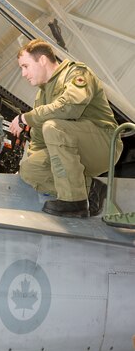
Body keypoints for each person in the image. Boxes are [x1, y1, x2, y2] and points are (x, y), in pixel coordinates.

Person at [9, 38, 123, 218]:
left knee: (53, 126)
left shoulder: (76, 72)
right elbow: (38, 141)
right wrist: (33, 166)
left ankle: (74, 201)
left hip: (103, 144)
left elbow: (70, 106)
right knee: (30, 169)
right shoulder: (42, 95)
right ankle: (91, 187)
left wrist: (25, 118)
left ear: (43, 60)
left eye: (25, 66)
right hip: (72, 152)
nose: (23, 74)